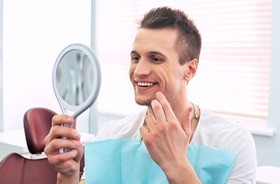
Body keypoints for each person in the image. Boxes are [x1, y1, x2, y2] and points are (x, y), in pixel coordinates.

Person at [44, 7, 257, 184]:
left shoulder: (232, 141)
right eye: (136, 57)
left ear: (190, 70)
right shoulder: (111, 136)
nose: (138, 71)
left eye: (155, 59)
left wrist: (177, 165)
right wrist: (68, 175)